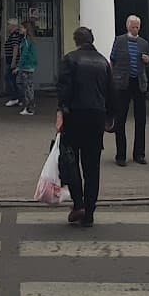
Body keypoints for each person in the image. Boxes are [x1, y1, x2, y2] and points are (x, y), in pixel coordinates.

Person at [54, 25, 116, 227]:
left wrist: (60, 112)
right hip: (96, 117)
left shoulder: (70, 59)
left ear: (76, 41)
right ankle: (89, 213)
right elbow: (111, 91)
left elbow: (64, 89)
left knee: (70, 161)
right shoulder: (103, 62)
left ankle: (78, 203)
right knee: (92, 167)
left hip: (74, 116)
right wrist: (110, 117)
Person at [109, 14, 149, 166]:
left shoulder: (143, 43)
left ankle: (139, 154)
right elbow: (113, 59)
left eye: (137, 27)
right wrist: (113, 79)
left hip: (139, 82)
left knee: (141, 119)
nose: (135, 29)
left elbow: (148, 61)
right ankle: (120, 155)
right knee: (120, 118)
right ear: (128, 26)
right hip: (123, 83)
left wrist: (148, 61)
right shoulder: (120, 41)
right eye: (133, 27)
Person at [14, 20, 39, 116]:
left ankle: (29, 107)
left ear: (25, 29)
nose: (19, 29)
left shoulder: (26, 41)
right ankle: (30, 106)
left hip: (26, 66)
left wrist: (19, 66)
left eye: (21, 28)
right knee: (28, 86)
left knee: (26, 87)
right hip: (30, 65)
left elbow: (24, 54)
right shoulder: (29, 40)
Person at [2, 19, 25, 106]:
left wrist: (13, 61)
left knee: (10, 79)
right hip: (11, 60)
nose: (7, 26)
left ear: (12, 26)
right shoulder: (13, 35)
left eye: (8, 24)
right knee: (13, 79)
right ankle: (18, 98)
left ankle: (14, 98)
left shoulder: (14, 35)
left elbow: (15, 48)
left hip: (12, 61)